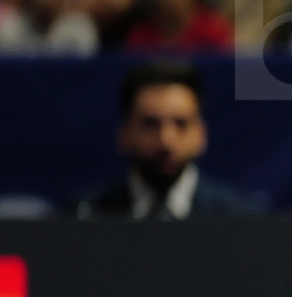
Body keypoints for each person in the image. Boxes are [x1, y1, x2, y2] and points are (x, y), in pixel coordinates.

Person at [76, 60, 260, 218]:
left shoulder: (240, 219)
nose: (166, 141)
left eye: (181, 124)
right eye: (150, 124)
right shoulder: (85, 215)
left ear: (201, 134)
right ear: (124, 134)